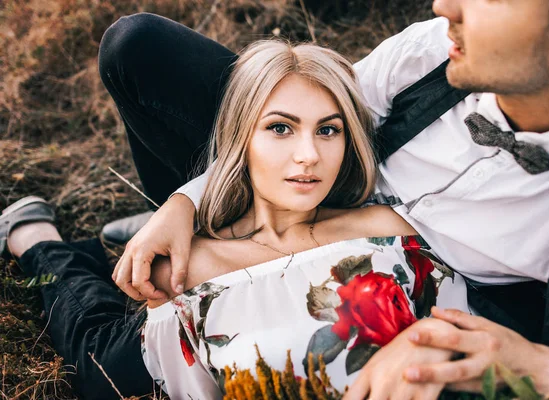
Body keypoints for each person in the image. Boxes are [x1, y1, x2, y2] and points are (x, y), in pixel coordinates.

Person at [102, 0, 549, 399]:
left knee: (111, 362)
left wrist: (544, 368)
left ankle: (51, 250)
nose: (444, 5)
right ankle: (196, 227)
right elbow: (318, 111)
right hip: (320, 175)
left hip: (419, 287)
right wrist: (185, 202)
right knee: (140, 47)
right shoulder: (436, 50)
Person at [0, 38, 469, 399]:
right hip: (176, 301)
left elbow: (465, 344)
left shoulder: (393, 235)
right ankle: (36, 239)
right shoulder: (186, 270)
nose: (308, 155)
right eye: (280, 128)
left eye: (328, 130)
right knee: (93, 346)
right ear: (240, 138)